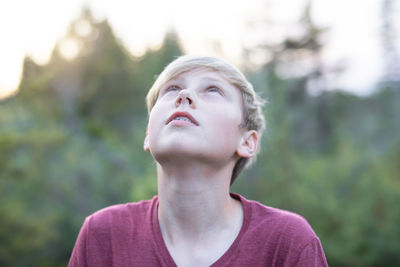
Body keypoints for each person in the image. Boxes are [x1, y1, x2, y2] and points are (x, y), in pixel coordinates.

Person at [68, 55, 328, 267]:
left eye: (212, 90)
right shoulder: (102, 236)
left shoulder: (287, 242)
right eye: (172, 89)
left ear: (247, 142)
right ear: (148, 135)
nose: (184, 96)